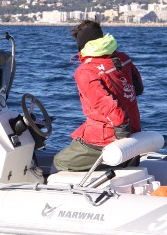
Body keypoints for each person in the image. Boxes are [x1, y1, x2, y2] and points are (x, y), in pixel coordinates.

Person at [54, 19, 144, 171]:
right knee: (78, 137)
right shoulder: (124, 58)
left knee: (59, 161)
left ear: (82, 45)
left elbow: (106, 104)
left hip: (108, 135)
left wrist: (121, 141)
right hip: (134, 126)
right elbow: (139, 88)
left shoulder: (86, 71)